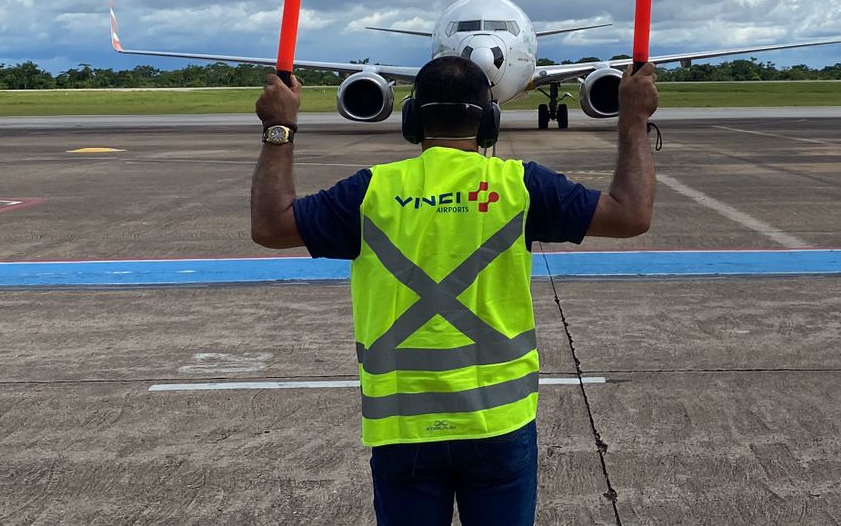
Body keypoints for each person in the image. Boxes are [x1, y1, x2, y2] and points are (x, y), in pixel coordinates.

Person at [250, 55, 658, 526]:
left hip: (402, 427)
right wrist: (633, 119)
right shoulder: (520, 186)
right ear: (489, 121)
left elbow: (271, 225)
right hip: (498, 422)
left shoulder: (370, 192)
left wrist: (279, 127)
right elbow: (631, 215)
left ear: (410, 118)